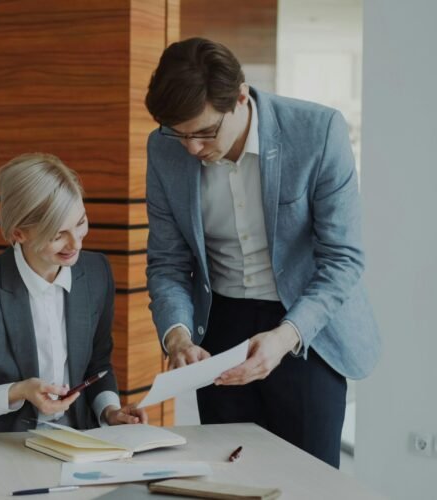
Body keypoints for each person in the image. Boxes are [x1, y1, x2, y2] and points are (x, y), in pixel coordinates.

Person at [143, 38, 380, 467]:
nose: (192, 148)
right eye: (179, 134)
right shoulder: (163, 149)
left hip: (306, 329)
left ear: (239, 97)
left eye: (204, 131)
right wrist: (177, 335)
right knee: (227, 474)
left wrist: (286, 336)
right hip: (219, 331)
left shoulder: (316, 132)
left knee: (308, 482)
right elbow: (169, 262)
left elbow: (342, 259)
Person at [0, 152, 148, 433]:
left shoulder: (95, 272)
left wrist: (110, 411)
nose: (76, 245)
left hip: (76, 440)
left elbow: (97, 365)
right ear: (19, 234)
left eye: (80, 223)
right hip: (3, 444)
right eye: (58, 235)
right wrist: (18, 392)